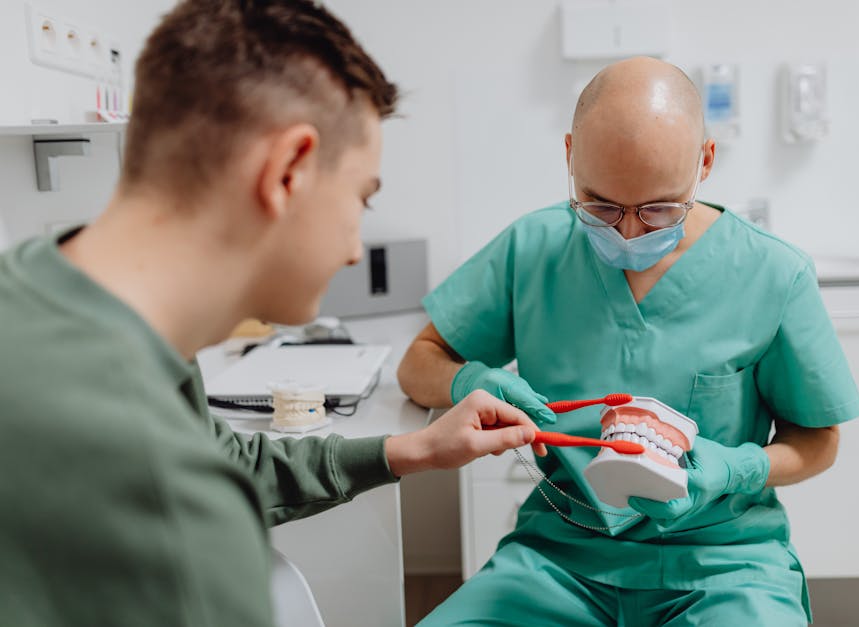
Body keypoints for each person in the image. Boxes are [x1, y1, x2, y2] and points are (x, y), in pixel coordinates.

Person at [0, 2, 548, 626]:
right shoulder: (162, 494)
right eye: (360, 198)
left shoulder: (51, 294)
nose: (352, 249)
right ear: (288, 170)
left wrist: (410, 450)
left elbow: (231, 461)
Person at [398, 56, 859, 625]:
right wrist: (472, 380)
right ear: (570, 155)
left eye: (658, 209)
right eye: (601, 205)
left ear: (705, 162)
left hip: (723, 565)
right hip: (559, 558)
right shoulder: (534, 248)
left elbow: (818, 439)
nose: (627, 232)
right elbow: (417, 364)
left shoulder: (772, 272)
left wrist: (740, 468)